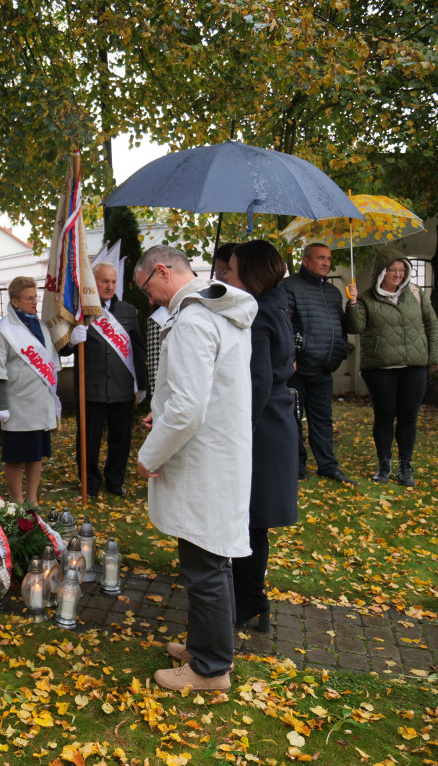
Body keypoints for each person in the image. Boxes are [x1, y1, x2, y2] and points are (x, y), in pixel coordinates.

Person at [134, 245, 257, 692]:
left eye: (147, 288)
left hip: (203, 459)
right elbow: (201, 391)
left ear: (163, 271)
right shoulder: (219, 312)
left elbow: (188, 409)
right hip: (219, 452)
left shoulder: (193, 320)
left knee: (205, 563)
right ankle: (204, 645)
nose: (149, 300)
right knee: (209, 558)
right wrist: (159, 409)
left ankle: (210, 667)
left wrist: (150, 454)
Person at [225, 240, 299, 631]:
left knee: (249, 520)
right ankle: (254, 601)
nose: (226, 275)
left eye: (232, 269)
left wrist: (240, 438)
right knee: (254, 522)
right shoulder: (275, 306)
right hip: (275, 424)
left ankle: (248, 601)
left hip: (261, 430)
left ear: (251, 273)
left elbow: (257, 384)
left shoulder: (259, 316)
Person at [344, 248, 438, 486]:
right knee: (384, 417)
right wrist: (352, 303)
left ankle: (405, 467)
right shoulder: (365, 297)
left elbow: (432, 324)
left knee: (409, 418)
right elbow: (355, 328)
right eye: (392, 270)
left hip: (414, 367)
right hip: (380, 368)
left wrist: (433, 356)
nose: (397, 274)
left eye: (401, 270)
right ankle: (384, 465)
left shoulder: (415, 293)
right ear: (381, 272)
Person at [66, 262, 147, 497]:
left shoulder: (128, 310)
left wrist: (141, 385)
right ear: (94, 282)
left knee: (121, 439)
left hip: (122, 388)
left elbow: (138, 349)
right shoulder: (80, 310)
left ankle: (115, 480)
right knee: (89, 441)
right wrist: (71, 342)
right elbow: (63, 350)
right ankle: (89, 483)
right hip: (91, 389)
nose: (110, 286)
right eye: (104, 281)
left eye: (113, 281)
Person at [282, 242, 358, 485]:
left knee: (323, 420)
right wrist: (294, 355)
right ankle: (297, 466)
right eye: (320, 258)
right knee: (293, 419)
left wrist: (353, 304)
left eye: (328, 259)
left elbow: (343, 327)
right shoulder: (289, 286)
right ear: (305, 260)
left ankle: (327, 466)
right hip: (298, 368)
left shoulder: (334, 292)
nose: (326, 263)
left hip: (324, 368)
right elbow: (287, 325)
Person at [0, 276, 60, 505]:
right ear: (15, 302)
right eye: (29, 298)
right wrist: (2, 406)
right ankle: (18, 499)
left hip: (39, 403)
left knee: (36, 454)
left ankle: (32, 497)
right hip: (17, 405)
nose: (34, 302)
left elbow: (49, 360)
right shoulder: (3, 331)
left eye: (35, 297)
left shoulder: (40, 326)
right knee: (16, 457)